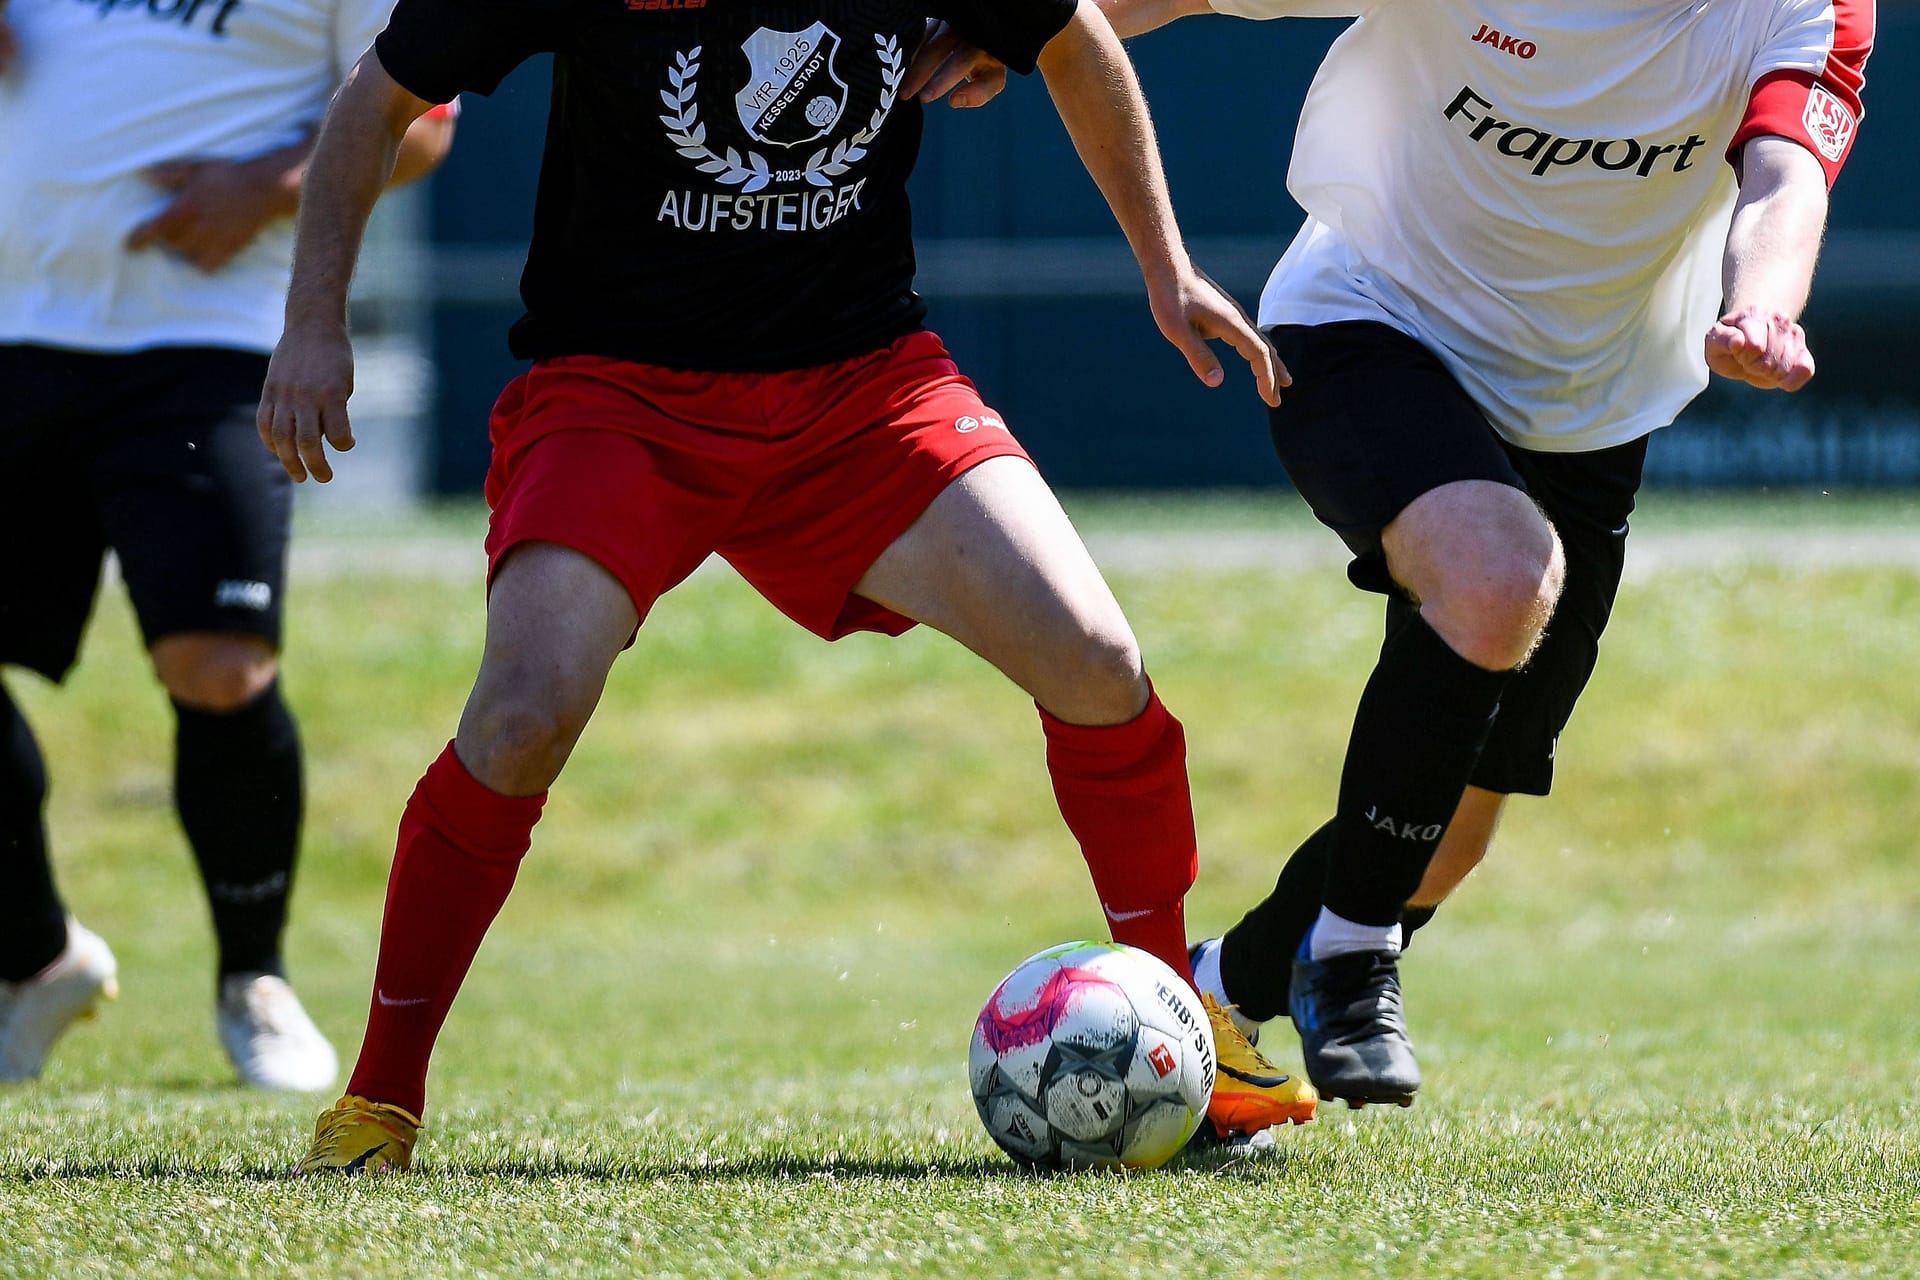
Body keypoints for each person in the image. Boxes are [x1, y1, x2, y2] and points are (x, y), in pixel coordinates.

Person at [261, 0, 1317, 1173]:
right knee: (519, 716)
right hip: (620, 398)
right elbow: (378, 95)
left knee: (1096, 658)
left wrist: (1166, 269)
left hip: (859, 391)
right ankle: (377, 1101)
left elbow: (1072, 37)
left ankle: (1176, 1024)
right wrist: (314, 321)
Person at [910, 0, 1871, 1106]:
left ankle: (1212, 999)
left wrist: (1763, 307)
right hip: (1368, 320)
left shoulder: (1811, 7)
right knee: (1498, 570)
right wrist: (1011, 29)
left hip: (1585, 410)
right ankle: (1357, 953)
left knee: (1449, 839)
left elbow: (1787, 175)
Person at [0, 0, 455, 1090]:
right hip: (16, 327)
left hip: (203, 340)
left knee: (219, 667)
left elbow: (426, 121)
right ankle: (34, 955)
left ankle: (254, 976)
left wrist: (269, 185)